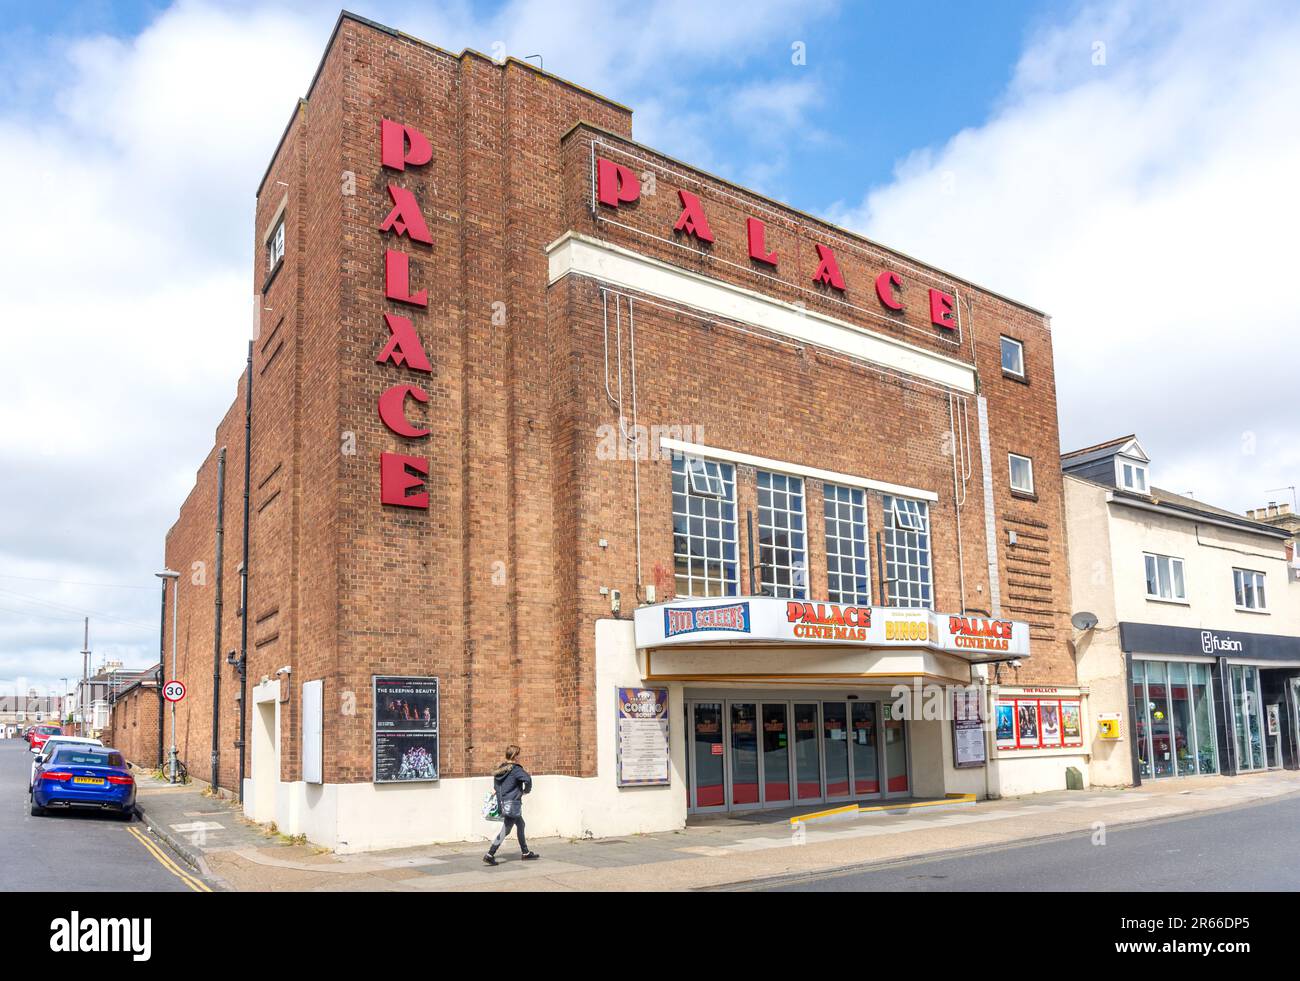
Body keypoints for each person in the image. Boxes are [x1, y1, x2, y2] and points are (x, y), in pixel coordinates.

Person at [483, 745, 540, 865]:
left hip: (503, 802)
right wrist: (526, 791)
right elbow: (528, 779)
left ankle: (525, 852)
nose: (520, 758)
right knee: (506, 829)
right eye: (519, 755)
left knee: (521, 824)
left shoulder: (500, 769)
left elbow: (496, 786)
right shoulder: (515, 769)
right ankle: (490, 854)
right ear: (515, 756)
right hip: (513, 803)